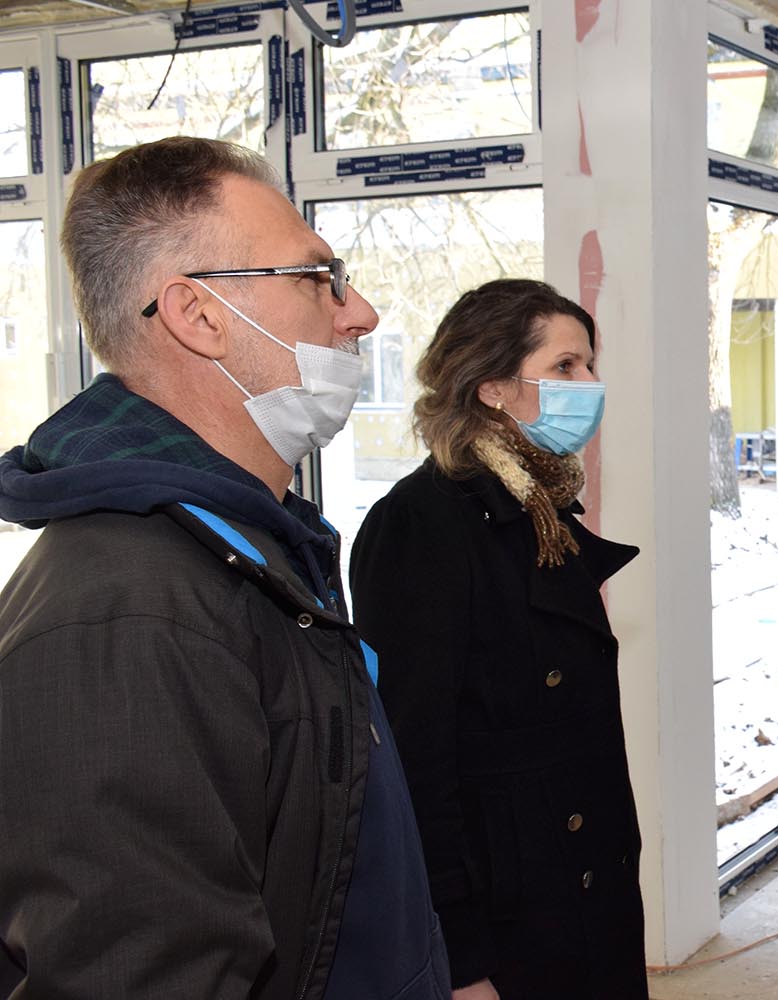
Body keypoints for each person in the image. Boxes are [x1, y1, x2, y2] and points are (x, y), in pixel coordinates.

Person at [0, 137, 447, 998]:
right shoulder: (128, 614)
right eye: (319, 278)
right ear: (198, 315)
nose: (360, 313)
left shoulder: (246, 548)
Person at [350, 279, 647, 1000]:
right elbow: (416, 759)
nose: (590, 384)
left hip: (579, 881)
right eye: (565, 366)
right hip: (510, 911)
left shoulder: (539, 508)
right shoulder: (421, 524)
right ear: (491, 388)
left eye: (590, 364)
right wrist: (458, 959)